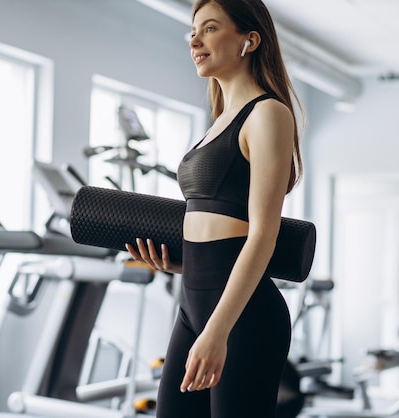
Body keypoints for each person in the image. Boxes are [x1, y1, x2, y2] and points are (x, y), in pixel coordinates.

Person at [125, 0, 304, 416]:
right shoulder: (220, 120)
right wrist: (186, 264)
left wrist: (217, 331)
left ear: (249, 40)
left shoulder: (268, 114)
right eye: (192, 31)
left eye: (209, 28)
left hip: (241, 317)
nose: (194, 40)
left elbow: (262, 232)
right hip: (194, 302)